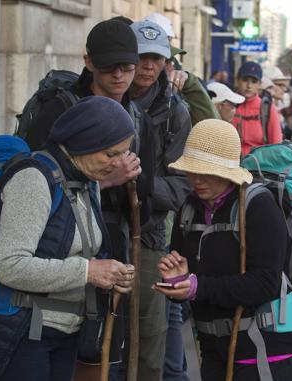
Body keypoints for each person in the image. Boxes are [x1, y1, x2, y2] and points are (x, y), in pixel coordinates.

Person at [0, 97, 137, 381]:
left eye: (123, 153)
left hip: (65, 330)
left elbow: (76, 251)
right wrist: (89, 272)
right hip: (22, 332)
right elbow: (10, 265)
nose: (117, 163)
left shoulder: (87, 181)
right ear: (86, 141)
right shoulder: (34, 179)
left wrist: (110, 275)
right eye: (111, 153)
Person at [153, 119, 292, 380]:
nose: (197, 179)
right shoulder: (189, 209)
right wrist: (177, 284)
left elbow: (265, 283)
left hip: (267, 348)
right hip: (214, 347)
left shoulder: (259, 207)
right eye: (192, 171)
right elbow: (190, 284)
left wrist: (197, 287)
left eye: (207, 172)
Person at [128, 19, 192, 380]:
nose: (149, 66)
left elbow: (182, 183)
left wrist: (141, 186)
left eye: (157, 58)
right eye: (142, 57)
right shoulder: (106, 99)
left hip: (151, 234)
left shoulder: (176, 112)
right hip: (102, 232)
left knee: (149, 334)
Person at [231, 61, 283, 156]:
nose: (249, 86)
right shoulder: (230, 105)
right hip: (231, 165)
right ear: (237, 81)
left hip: (259, 167)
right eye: (245, 80)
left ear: (259, 84)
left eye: (254, 81)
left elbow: (276, 145)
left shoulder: (267, 108)